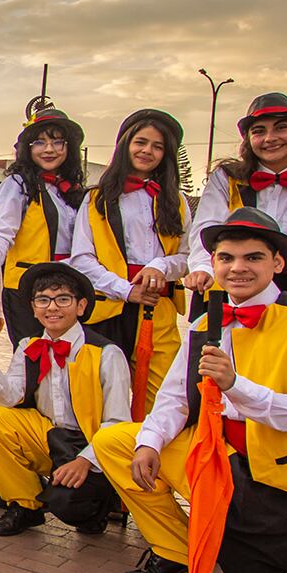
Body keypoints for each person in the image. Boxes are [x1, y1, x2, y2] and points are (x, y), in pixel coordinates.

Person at [93, 207, 287, 573]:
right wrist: (149, 443)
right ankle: (178, 549)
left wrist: (235, 386)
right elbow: (174, 398)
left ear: (277, 263)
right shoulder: (203, 324)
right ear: (213, 263)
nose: (237, 268)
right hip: (214, 457)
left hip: (277, 478)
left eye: (253, 257)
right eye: (226, 258)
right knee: (117, 443)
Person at [0, 263, 132, 536]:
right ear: (33, 308)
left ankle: (97, 507)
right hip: (48, 437)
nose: (52, 307)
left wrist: (85, 461)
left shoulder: (106, 354)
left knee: (70, 505)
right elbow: (10, 397)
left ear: (81, 306)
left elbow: (118, 423)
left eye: (63, 299)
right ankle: (25, 505)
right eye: (43, 300)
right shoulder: (29, 346)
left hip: (91, 445)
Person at [72, 109, 193, 417]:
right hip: (107, 308)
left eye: (157, 146)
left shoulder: (177, 201)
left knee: (162, 398)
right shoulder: (96, 198)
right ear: (125, 144)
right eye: (141, 142)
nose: (147, 151)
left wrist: (160, 267)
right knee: (100, 397)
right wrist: (126, 290)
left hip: (158, 307)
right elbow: (82, 258)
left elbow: (187, 256)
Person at [184, 93, 287, 300]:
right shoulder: (226, 178)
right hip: (231, 282)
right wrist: (202, 268)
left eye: (281, 127)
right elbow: (206, 226)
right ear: (248, 139)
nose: (270, 138)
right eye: (259, 131)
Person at [0, 107, 87, 343]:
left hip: (67, 288)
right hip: (28, 289)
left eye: (57, 142)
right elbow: (1, 232)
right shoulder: (17, 185)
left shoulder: (73, 190)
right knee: (31, 353)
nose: (49, 149)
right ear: (28, 148)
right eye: (39, 142)